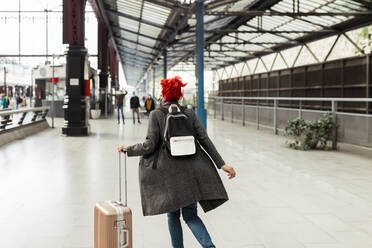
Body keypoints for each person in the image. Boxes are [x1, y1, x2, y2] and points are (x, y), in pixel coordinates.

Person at [118, 76, 236, 248]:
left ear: (163, 94)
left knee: (173, 216)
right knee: (190, 216)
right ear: (179, 95)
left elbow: (149, 145)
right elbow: (205, 139)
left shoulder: (156, 115)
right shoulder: (189, 113)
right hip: (191, 175)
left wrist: (128, 149)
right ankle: (209, 246)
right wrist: (221, 164)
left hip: (170, 177)